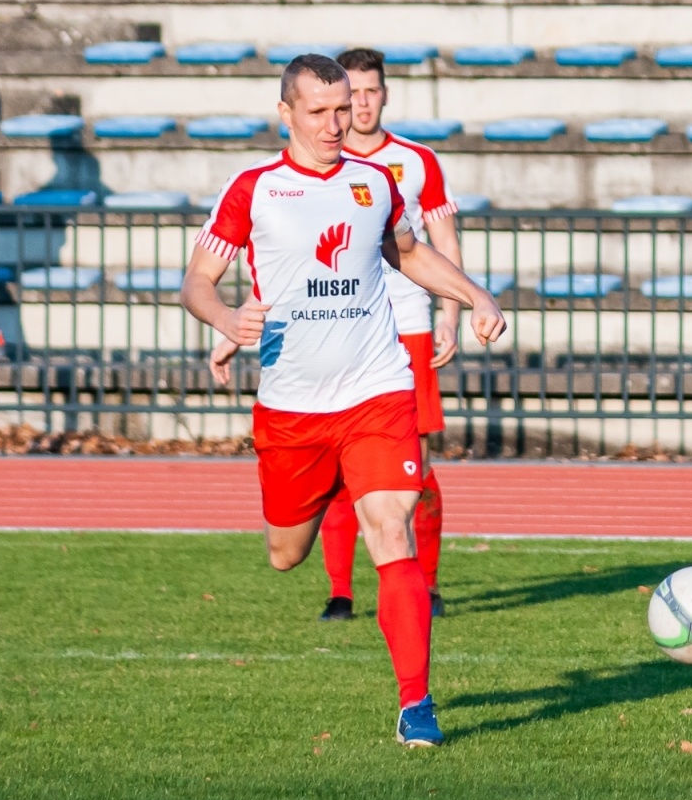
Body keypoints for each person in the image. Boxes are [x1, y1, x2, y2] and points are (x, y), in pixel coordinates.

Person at [185, 54, 505, 748]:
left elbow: (408, 253)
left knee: (391, 531)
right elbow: (197, 283)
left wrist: (473, 294)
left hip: (376, 390)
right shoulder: (253, 190)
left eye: (343, 108)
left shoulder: (375, 181)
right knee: (284, 553)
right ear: (286, 114)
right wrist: (223, 321)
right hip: (292, 407)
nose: (338, 122)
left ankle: (416, 706)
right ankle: (320, 500)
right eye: (321, 111)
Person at [311, 47, 467, 624]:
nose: (363, 102)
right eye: (352, 92)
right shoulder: (320, 166)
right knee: (337, 468)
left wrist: (450, 312)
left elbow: (442, 241)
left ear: (385, 94)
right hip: (342, 326)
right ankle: (340, 592)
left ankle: (424, 585)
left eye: (372, 90)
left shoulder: (417, 161)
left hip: (409, 327)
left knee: (416, 468)